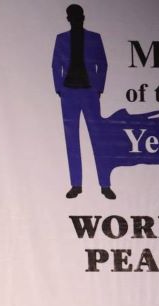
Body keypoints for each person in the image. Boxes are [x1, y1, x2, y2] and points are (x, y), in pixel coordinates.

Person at [52, 3, 113, 200]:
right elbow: (56, 64)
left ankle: (105, 185)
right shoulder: (61, 39)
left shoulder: (94, 38)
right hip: (69, 93)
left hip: (89, 92)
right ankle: (76, 185)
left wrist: (98, 88)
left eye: (78, 16)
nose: (76, 19)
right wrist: (60, 88)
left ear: (83, 17)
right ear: (68, 19)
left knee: (98, 138)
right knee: (72, 140)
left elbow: (102, 63)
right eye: (72, 16)